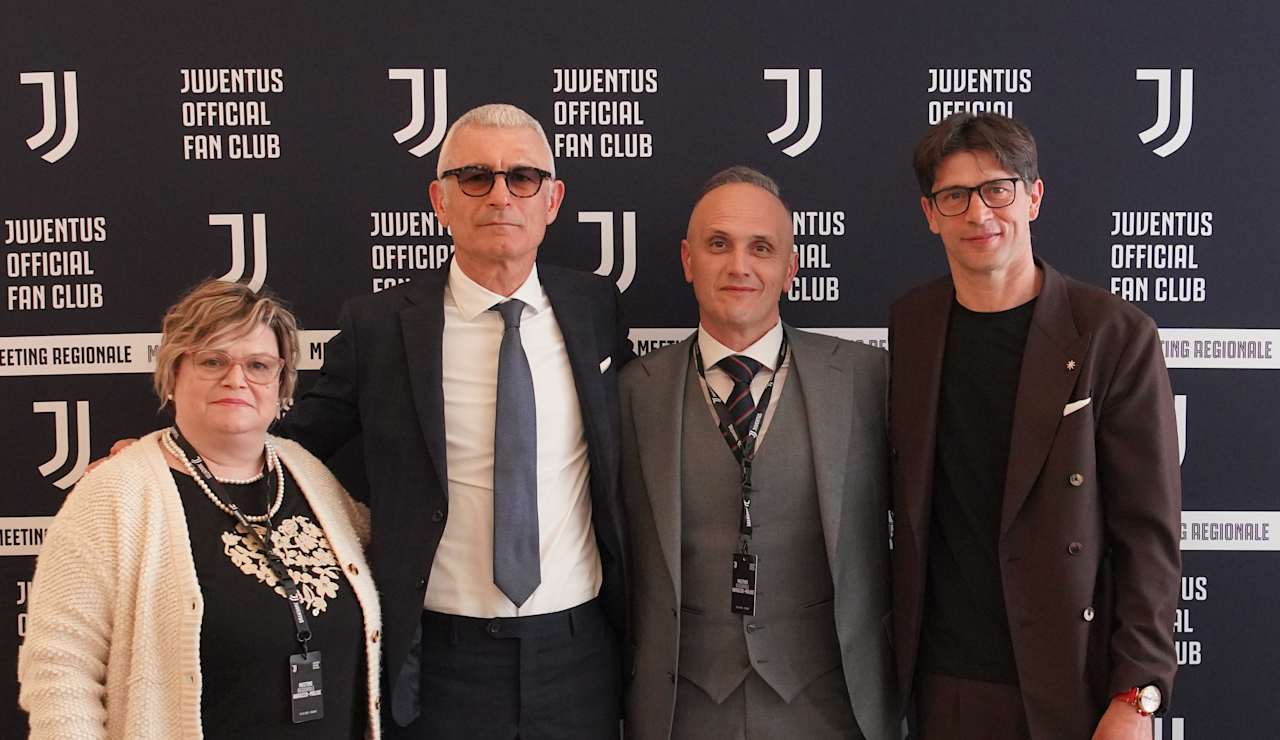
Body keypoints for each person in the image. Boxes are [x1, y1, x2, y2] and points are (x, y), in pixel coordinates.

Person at [274, 103, 631, 739]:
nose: (500, 195)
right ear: (440, 200)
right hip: (439, 659)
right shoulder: (380, 327)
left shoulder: (595, 308)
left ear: (552, 200)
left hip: (578, 653)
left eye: (523, 177)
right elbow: (295, 443)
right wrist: (171, 458)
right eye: (476, 177)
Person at [889, 112, 1181, 740]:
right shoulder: (912, 326)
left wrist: (1137, 695)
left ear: (1033, 197)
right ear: (930, 213)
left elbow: (1147, 534)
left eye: (998, 189)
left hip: (1072, 681)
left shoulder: (1113, 334)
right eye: (954, 196)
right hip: (944, 683)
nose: (979, 213)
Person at [19, 279, 381, 739]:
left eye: (258, 365)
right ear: (173, 374)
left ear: (281, 383)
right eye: (213, 361)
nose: (236, 379)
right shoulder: (115, 495)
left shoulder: (310, 477)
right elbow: (59, 669)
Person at [620, 167, 897, 740]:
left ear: (791, 268)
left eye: (761, 248)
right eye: (718, 244)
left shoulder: (868, 378)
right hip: (683, 712)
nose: (739, 266)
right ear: (688, 260)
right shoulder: (632, 391)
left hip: (832, 708)